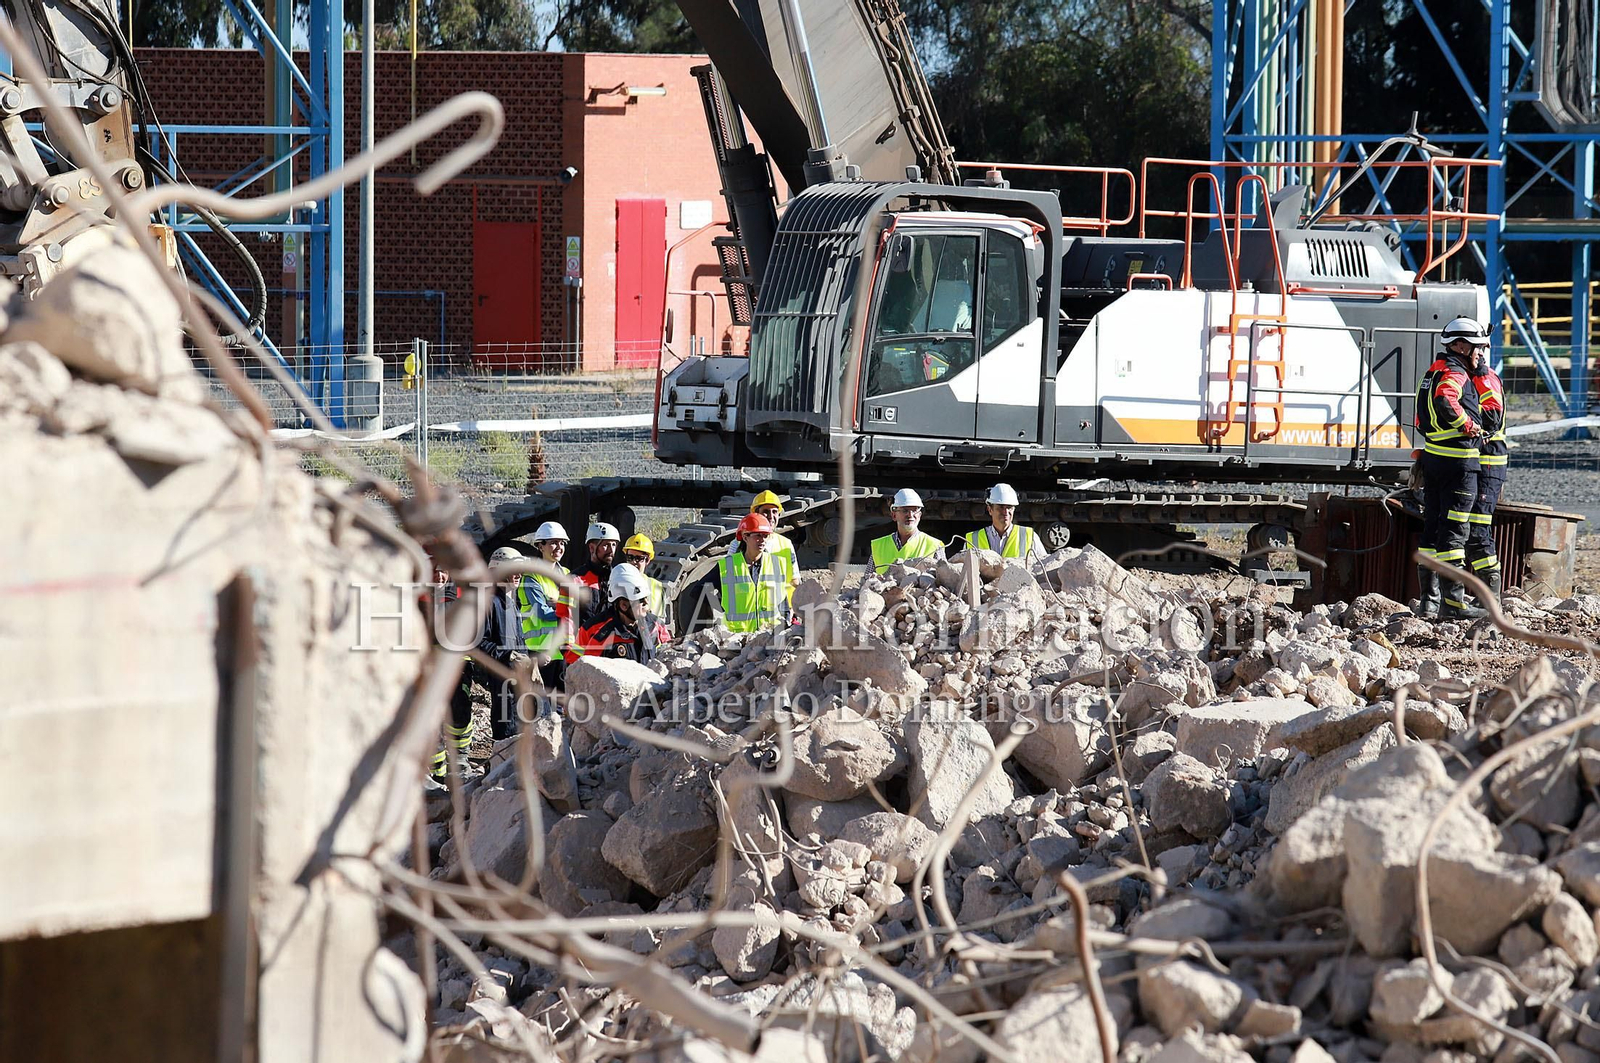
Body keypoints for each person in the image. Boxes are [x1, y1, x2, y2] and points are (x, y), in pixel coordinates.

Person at [1414, 317, 1489, 621]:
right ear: (1460, 345)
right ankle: (1455, 605)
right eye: (1477, 348)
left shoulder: (1435, 370)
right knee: (1455, 532)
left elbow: (1424, 414)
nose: (1480, 354)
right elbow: (1446, 401)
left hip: (1434, 459)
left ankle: (1429, 603)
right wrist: (1469, 426)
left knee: (1431, 530)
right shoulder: (1455, 374)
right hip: (1458, 464)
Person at [432, 546, 523, 782]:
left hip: (510, 678)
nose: (518, 574)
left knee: (465, 714)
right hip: (496, 678)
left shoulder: (511, 602)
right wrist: (506, 656)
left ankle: (467, 766)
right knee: (504, 728)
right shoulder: (488, 602)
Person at [690, 512, 796, 632]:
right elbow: (698, 591)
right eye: (758, 536)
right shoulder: (728, 566)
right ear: (745, 537)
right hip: (738, 637)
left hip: (770, 635)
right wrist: (722, 608)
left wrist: (785, 625)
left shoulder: (777, 564)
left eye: (765, 536)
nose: (762, 540)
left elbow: (783, 602)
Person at [565, 563, 673, 665]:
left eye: (646, 598)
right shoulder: (595, 630)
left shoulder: (656, 626)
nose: (646, 603)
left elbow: (668, 657)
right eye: (640, 600)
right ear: (623, 605)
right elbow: (574, 668)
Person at [1468, 342, 1508, 605]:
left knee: (1478, 528)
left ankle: (1489, 596)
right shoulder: (1468, 377)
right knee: (1466, 528)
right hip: (1475, 463)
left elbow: (1491, 419)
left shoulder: (1484, 378)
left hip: (1489, 463)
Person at [516, 521, 575, 690]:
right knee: (541, 705)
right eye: (553, 543)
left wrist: (558, 605)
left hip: (564, 649)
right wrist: (565, 607)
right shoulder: (531, 577)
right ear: (540, 546)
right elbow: (542, 612)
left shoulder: (566, 574)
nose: (559, 547)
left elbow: (578, 609)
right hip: (540, 651)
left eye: (562, 543)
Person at [963, 483, 1045, 560]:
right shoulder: (972, 539)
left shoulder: (1029, 537)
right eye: (1001, 507)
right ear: (990, 509)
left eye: (1009, 507)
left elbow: (1044, 567)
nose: (1005, 512)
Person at [871, 488, 945, 572]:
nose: (910, 515)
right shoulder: (878, 546)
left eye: (914, 510)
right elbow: (867, 580)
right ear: (894, 515)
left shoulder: (934, 546)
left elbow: (944, 579)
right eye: (905, 510)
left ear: (920, 515)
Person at [574, 521, 621, 626]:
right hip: (582, 640)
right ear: (591, 548)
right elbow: (567, 619)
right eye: (606, 545)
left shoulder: (618, 579)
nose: (611, 550)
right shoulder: (575, 579)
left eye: (614, 544)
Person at [621, 532, 671, 623]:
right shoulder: (616, 584)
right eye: (630, 557)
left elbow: (661, 623)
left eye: (639, 558)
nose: (633, 562)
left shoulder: (657, 587)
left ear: (647, 560)